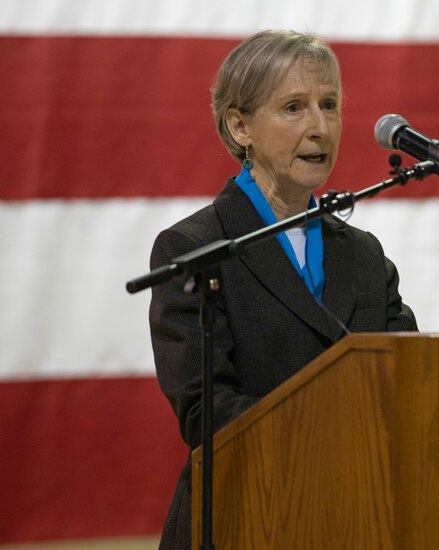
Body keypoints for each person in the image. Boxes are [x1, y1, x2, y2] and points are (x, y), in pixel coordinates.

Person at [148, 30, 417, 549]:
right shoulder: (194, 248)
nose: (320, 127)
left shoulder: (363, 253)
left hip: (356, 519)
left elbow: (405, 377)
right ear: (240, 125)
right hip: (243, 518)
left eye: (329, 104)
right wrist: (329, 429)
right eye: (294, 107)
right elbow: (206, 412)